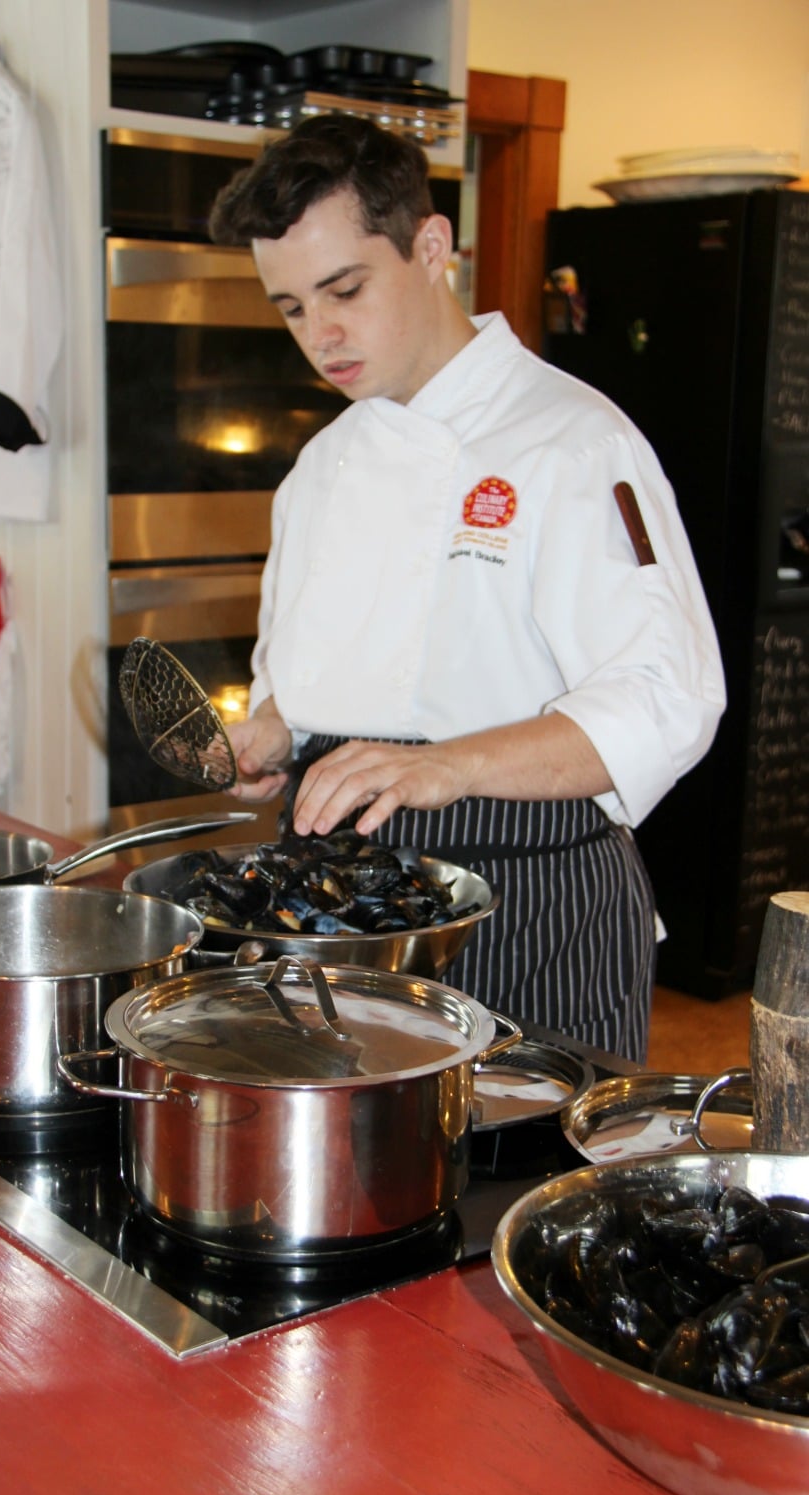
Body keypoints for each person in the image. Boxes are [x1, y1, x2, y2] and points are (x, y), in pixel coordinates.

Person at [207, 114, 726, 1062]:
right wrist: (277, 731)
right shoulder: (318, 470)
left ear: (432, 245)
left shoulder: (573, 441)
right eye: (289, 308)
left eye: (345, 289)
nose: (321, 336)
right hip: (343, 905)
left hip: (531, 903)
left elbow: (667, 697)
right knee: (358, 1191)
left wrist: (447, 765)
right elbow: (309, 670)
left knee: (526, 1197)